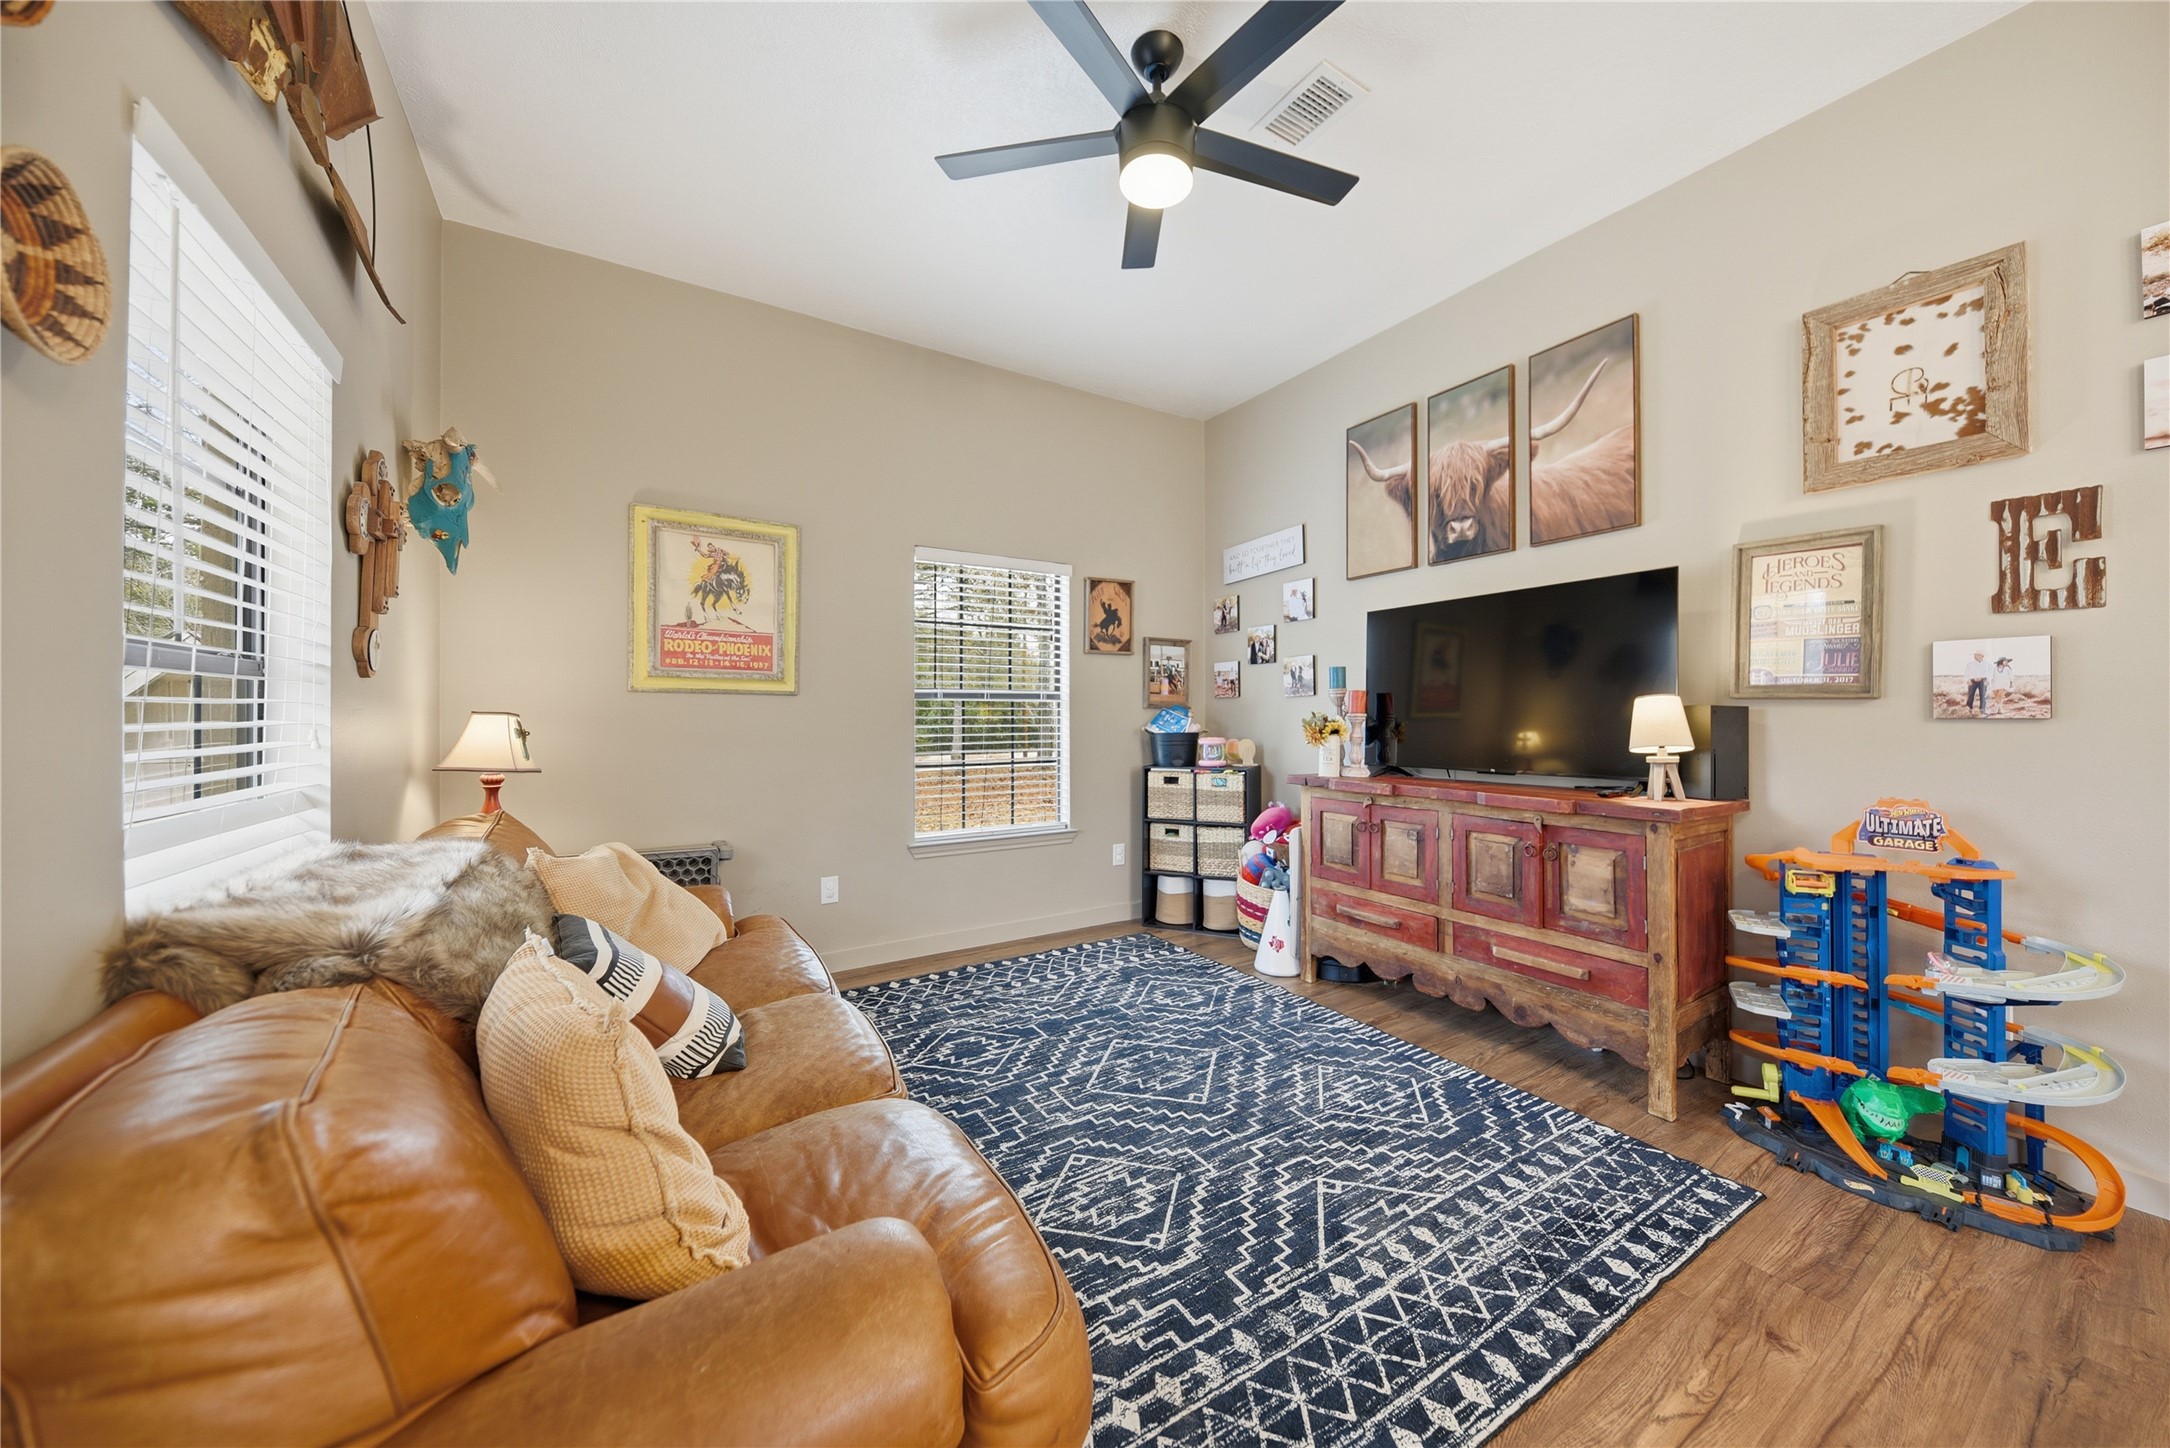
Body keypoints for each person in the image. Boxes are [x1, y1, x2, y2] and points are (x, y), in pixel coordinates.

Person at [1962, 649, 1991, 716]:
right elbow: (1966, 672)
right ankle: (1969, 708)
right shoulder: (1970, 663)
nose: (1975, 656)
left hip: (1983, 680)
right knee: (1970, 695)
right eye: (1975, 654)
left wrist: (1988, 680)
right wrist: (1967, 680)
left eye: (1977, 655)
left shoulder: (1987, 664)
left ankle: (1982, 710)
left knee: (1983, 695)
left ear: (1982, 656)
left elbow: (1990, 672)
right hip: (1972, 680)